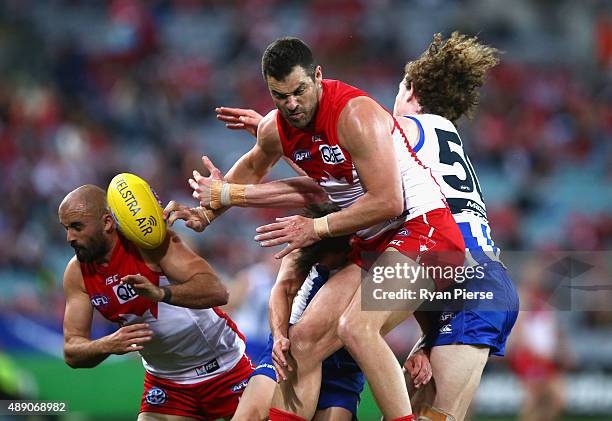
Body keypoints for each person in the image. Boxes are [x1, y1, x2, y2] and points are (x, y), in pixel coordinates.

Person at [214, 32, 520, 421]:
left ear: (409, 91)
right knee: (428, 409)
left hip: (453, 264)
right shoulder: (448, 136)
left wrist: (274, 153)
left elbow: (339, 183)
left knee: (365, 340)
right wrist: (283, 139)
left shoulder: (393, 128)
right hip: (472, 267)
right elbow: (336, 177)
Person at [58, 184, 253, 421]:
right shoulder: (77, 274)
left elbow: (218, 292)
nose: (70, 237)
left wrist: (161, 293)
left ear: (107, 222)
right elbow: (71, 350)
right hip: (167, 381)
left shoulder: (150, 243)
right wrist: (107, 344)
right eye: (66, 228)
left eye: (77, 227)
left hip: (224, 366)